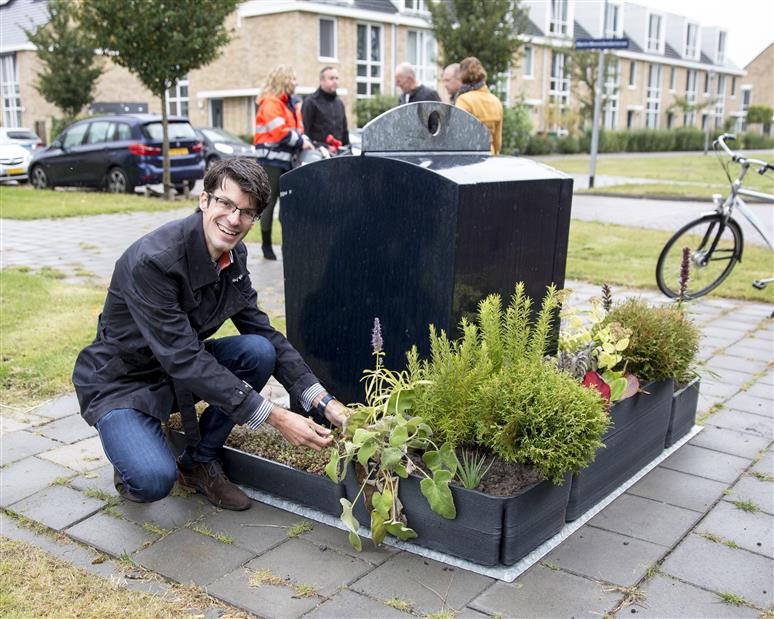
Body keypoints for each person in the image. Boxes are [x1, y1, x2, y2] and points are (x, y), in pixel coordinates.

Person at [72, 157, 349, 512]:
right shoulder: (153, 262)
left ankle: (198, 462)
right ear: (205, 200)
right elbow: (184, 357)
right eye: (226, 203)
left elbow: (262, 330)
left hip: (176, 373)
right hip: (124, 381)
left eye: (247, 212)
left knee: (259, 350)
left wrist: (325, 403)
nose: (234, 220)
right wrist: (277, 417)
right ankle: (132, 446)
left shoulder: (234, 256)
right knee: (152, 479)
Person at [253, 64, 313, 260]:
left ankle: (287, 245)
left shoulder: (291, 104)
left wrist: (301, 138)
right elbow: (280, 133)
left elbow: (298, 129)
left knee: (287, 205)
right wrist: (301, 141)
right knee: (269, 203)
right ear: (284, 80)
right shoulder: (270, 103)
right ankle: (266, 246)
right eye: (293, 79)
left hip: (287, 162)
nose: (295, 83)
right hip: (271, 162)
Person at [455, 56, 503, 155]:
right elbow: (497, 140)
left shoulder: (464, 100)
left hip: (469, 157)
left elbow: (458, 133)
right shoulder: (496, 101)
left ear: (461, 76)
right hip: (490, 155)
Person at [302, 66, 349, 151]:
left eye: (337, 78)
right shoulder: (310, 102)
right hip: (317, 155)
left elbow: (345, 132)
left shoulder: (339, 103)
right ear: (321, 81)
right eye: (331, 78)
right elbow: (305, 131)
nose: (335, 81)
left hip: (339, 154)